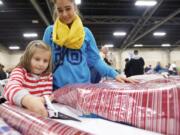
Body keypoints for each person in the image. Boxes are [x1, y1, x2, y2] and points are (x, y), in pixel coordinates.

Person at [43, 0, 137, 90]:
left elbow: (95, 60)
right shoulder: (51, 32)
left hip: (82, 89)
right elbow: (44, 60)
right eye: (60, 10)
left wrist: (115, 74)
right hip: (56, 91)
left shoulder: (86, 33)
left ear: (74, 8)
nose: (64, 14)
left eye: (68, 9)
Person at [3, 40, 53, 117]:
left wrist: (43, 100)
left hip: (35, 114)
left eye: (45, 61)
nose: (41, 64)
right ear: (27, 58)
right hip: (15, 112)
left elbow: (47, 96)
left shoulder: (47, 76)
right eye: (37, 59)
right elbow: (10, 87)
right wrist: (28, 100)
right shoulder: (20, 71)